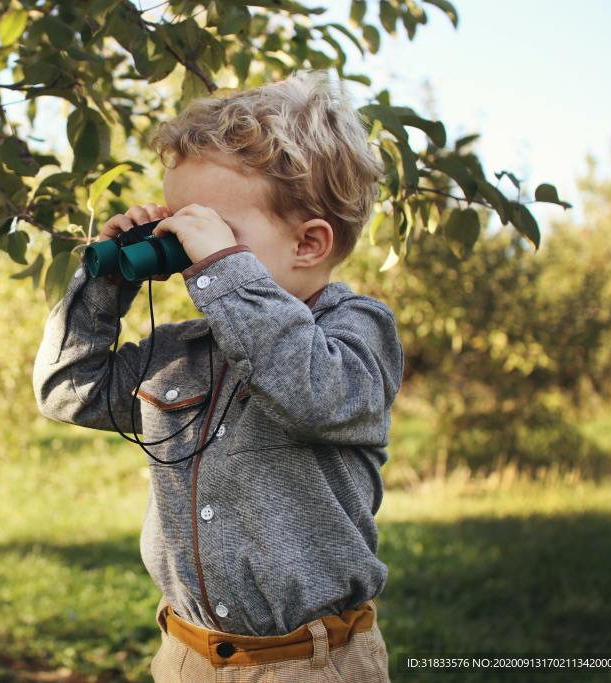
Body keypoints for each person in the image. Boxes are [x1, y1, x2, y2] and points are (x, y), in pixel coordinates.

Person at [32, 69, 403, 682]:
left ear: (309, 243)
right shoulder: (180, 350)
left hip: (311, 664)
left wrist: (224, 270)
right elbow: (67, 389)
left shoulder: (357, 330)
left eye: (213, 232)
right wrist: (107, 283)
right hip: (187, 656)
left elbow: (314, 394)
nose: (188, 251)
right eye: (179, 226)